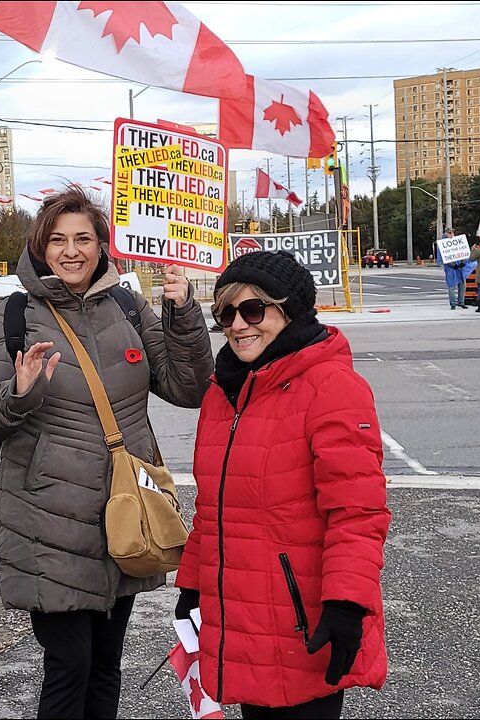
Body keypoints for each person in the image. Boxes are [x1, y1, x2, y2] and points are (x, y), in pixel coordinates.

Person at [0, 187, 214, 719]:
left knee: (104, 666)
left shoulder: (127, 306)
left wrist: (183, 312)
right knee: (69, 665)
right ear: (39, 246)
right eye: (58, 240)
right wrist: (18, 395)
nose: (71, 251)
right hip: (49, 522)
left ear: (101, 246)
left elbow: (189, 388)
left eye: (83, 239)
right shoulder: (13, 316)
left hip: (125, 515)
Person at [175, 250, 391, 720]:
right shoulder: (223, 390)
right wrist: (192, 584)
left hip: (304, 617)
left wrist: (347, 604)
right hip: (240, 611)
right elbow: (213, 506)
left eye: (253, 310)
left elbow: (357, 511)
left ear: (289, 310)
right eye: (226, 312)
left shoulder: (331, 385)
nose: (238, 325)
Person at [435, 229, 470, 309]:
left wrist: (463, 262)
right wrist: (452, 264)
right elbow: (443, 256)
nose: (451, 234)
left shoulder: (457, 241)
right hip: (450, 268)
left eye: (453, 232)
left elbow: (463, 251)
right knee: (451, 285)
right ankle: (453, 303)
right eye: (449, 233)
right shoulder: (442, 244)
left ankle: (461, 302)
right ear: (445, 233)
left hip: (460, 267)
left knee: (462, 285)